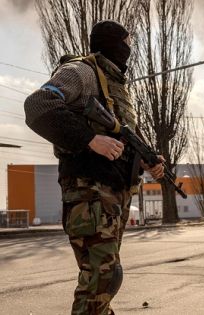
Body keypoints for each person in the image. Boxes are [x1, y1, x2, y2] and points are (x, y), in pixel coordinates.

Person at [24, 20, 164, 315]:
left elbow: (122, 139)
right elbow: (38, 105)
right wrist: (90, 139)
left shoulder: (115, 86)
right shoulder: (82, 72)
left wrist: (149, 160)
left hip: (112, 196)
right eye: (127, 41)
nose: (130, 48)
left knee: (107, 277)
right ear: (113, 42)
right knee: (102, 275)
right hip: (89, 191)